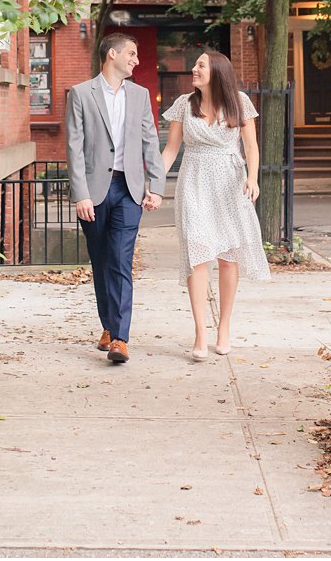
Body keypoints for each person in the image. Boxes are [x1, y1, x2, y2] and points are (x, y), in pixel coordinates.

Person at [160, 50, 272, 361]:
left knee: (227, 256)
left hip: (229, 184)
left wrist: (252, 178)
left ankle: (224, 327)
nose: (193, 69)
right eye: (195, 65)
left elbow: (252, 147)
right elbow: (170, 150)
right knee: (196, 255)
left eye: (200, 65)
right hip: (194, 183)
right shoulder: (185, 104)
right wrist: (153, 182)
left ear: (217, 71)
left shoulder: (239, 102)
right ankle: (199, 332)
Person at [65, 32, 167, 364]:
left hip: (129, 190)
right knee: (101, 261)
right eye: (132, 54)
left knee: (121, 260)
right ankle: (108, 325)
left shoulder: (140, 96)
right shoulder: (81, 94)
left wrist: (156, 186)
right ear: (112, 54)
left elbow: (150, 142)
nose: (137, 60)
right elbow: (75, 148)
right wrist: (80, 193)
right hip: (94, 191)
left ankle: (120, 338)